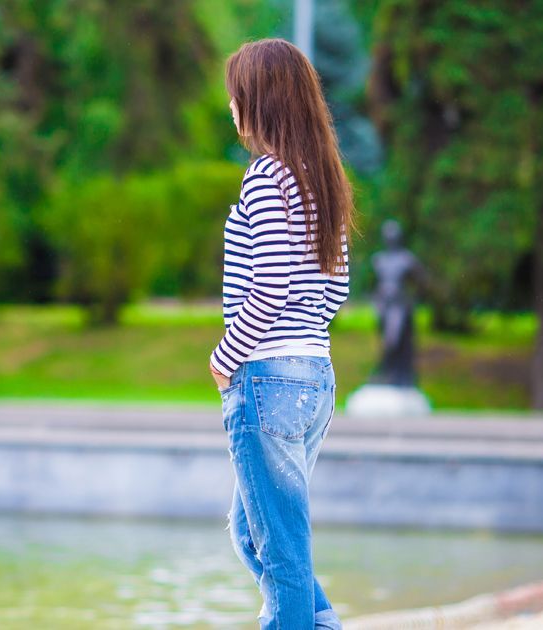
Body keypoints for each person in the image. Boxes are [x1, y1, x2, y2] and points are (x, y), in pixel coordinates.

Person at [208, 38, 355, 630]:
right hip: (314, 376)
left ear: (261, 100)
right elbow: (336, 286)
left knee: (282, 550)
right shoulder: (320, 179)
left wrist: (227, 355)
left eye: (235, 96)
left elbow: (269, 286)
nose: (231, 108)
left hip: (266, 377)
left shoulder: (265, 177)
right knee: (255, 532)